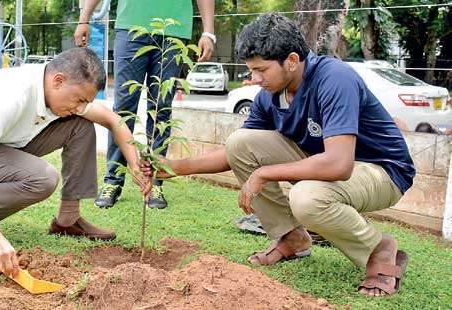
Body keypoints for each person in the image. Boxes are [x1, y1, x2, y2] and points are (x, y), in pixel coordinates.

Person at [145, 13, 416, 297]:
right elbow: (234, 153)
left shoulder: (334, 79)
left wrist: (263, 173)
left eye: (262, 70)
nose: (255, 79)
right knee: (240, 142)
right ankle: (291, 237)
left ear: (292, 61)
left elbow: (339, 164)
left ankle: (379, 249)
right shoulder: (269, 96)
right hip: (328, 165)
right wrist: (174, 167)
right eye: (252, 70)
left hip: (382, 171)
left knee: (307, 199)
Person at [0, 47, 150, 277]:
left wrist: (135, 165)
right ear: (58, 81)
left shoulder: (56, 87)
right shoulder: (14, 94)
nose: (80, 108)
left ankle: (68, 219)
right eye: (79, 100)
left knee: (80, 125)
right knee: (42, 178)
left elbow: (112, 119)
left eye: (85, 103)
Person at [75, 0, 215, 209]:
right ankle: (113, 180)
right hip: (131, 27)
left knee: (161, 108)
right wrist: (84, 18)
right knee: (123, 108)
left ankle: (156, 180)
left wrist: (208, 32)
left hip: (174, 31)